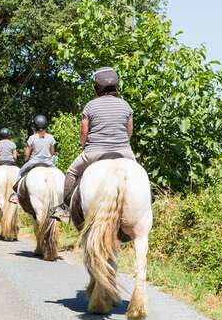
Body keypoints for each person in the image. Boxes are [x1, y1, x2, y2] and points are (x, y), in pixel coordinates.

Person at [51, 67, 136, 221]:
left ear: (96, 87)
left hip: (94, 151)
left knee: (71, 172)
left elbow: (84, 134)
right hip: (124, 151)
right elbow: (129, 132)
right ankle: (149, 198)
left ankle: (64, 209)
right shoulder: (126, 105)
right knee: (139, 172)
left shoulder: (90, 106)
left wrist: (84, 145)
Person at [9, 115, 56, 203]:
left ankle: (15, 195)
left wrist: (26, 159)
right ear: (46, 125)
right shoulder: (51, 137)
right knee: (59, 174)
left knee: (20, 172)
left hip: (34, 162)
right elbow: (52, 152)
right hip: (48, 162)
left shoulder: (32, 138)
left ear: (35, 126)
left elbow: (27, 153)